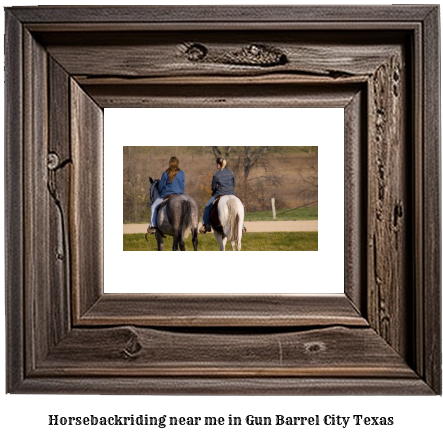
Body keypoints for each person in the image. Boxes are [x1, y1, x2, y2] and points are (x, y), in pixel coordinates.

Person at [199, 157, 246, 234]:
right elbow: (234, 184)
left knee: (207, 206)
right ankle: (242, 226)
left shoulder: (216, 175)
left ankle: (206, 225)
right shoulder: (231, 173)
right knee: (239, 207)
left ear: (218, 165)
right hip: (231, 193)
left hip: (219, 193)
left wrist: (214, 192)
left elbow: (213, 187)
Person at [147, 156, 185, 233]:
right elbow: (183, 185)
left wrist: (161, 192)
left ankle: (153, 226)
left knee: (153, 206)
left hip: (167, 195)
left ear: (169, 163)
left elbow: (161, 186)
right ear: (177, 163)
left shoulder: (165, 172)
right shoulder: (182, 173)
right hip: (179, 195)